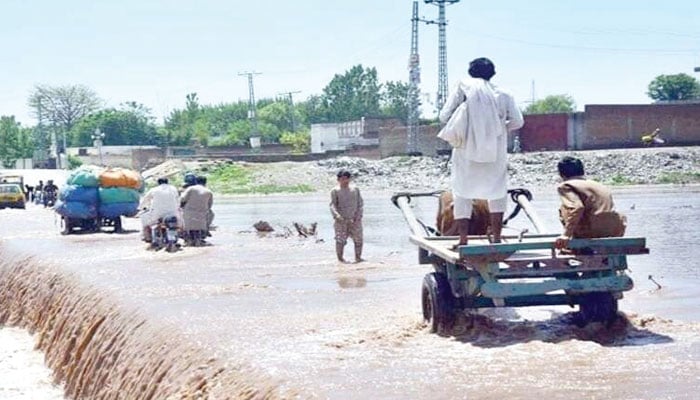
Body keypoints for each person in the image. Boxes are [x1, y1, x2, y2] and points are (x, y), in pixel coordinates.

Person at [438, 57, 524, 246]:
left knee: (462, 192)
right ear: (492, 73)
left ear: (471, 73)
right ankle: (497, 238)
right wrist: (498, 128)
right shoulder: (505, 94)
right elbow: (518, 122)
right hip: (495, 151)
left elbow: (444, 116)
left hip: (465, 150)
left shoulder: (464, 88)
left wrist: (467, 123)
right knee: (497, 191)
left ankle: (462, 240)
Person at [554, 156, 627, 250]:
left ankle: (573, 245)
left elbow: (577, 207)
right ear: (582, 171)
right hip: (615, 231)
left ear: (561, 174)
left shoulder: (566, 186)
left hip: (591, 231)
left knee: (564, 208)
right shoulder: (597, 184)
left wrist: (566, 235)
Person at [330, 169, 364, 263]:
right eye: (342, 179)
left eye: (346, 178)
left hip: (355, 219)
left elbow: (360, 203)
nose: (344, 181)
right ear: (338, 179)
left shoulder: (355, 190)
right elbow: (332, 205)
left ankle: (358, 258)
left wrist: (359, 215)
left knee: (358, 240)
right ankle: (340, 259)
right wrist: (337, 216)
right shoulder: (335, 191)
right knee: (340, 240)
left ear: (349, 179)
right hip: (341, 220)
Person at [139, 177, 181, 242]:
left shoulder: (154, 189)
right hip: (172, 213)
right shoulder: (173, 189)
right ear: (167, 182)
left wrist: (141, 207)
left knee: (150, 224)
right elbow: (177, 200)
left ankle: (150, 238)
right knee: (178, 223)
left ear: (158, 183)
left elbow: (145, 199)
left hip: (157, 214)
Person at [180, 175, 214, 243]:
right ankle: (206, 231)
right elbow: (209, 205)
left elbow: (182, 199)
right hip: (202, 215)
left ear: (196, 181)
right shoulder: (209, 192)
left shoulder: (191, 189)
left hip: (188, 214)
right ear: (205, 182)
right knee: (211, 214)